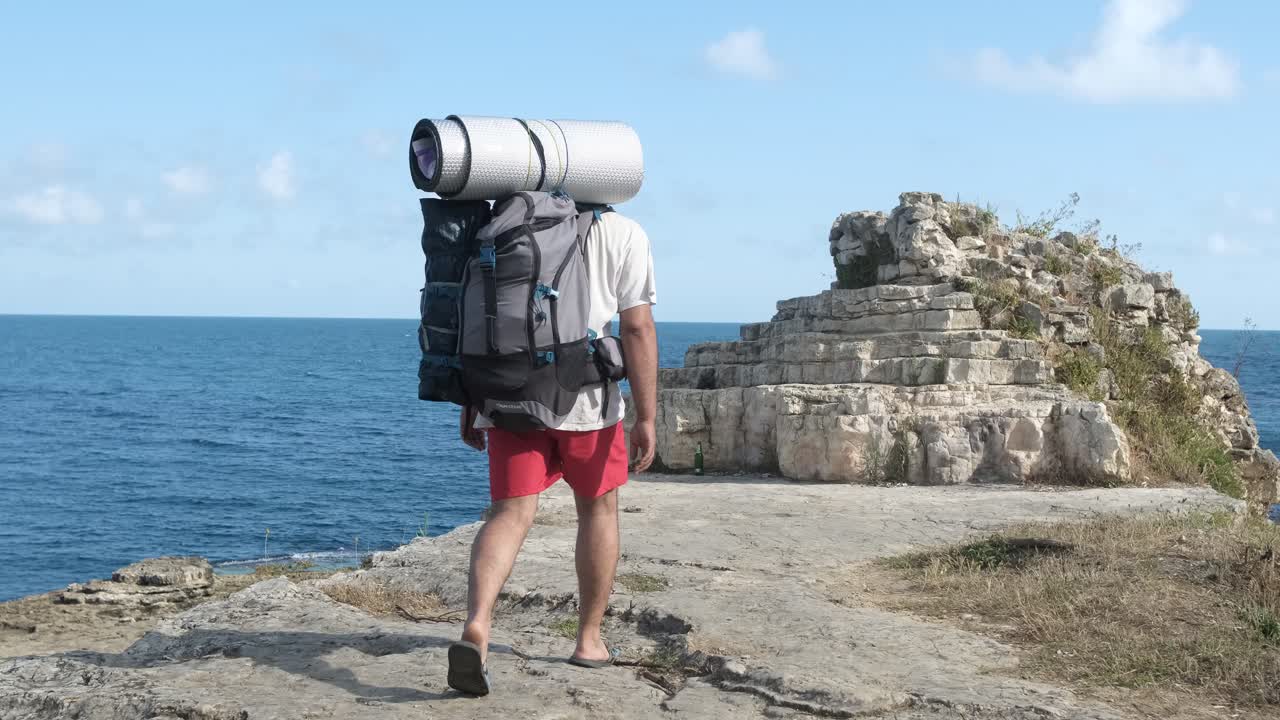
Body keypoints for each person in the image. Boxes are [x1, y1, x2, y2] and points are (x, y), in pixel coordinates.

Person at [446, 208, 658, 696]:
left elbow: (474, 316)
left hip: (509, 394)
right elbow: (638, 328)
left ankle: (478, 623)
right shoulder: (622, 232)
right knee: (598, 510)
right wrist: (646, 415)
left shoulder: (502, 221)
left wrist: (471, 399)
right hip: (588, 402)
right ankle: (589, 640)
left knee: (509, 514)